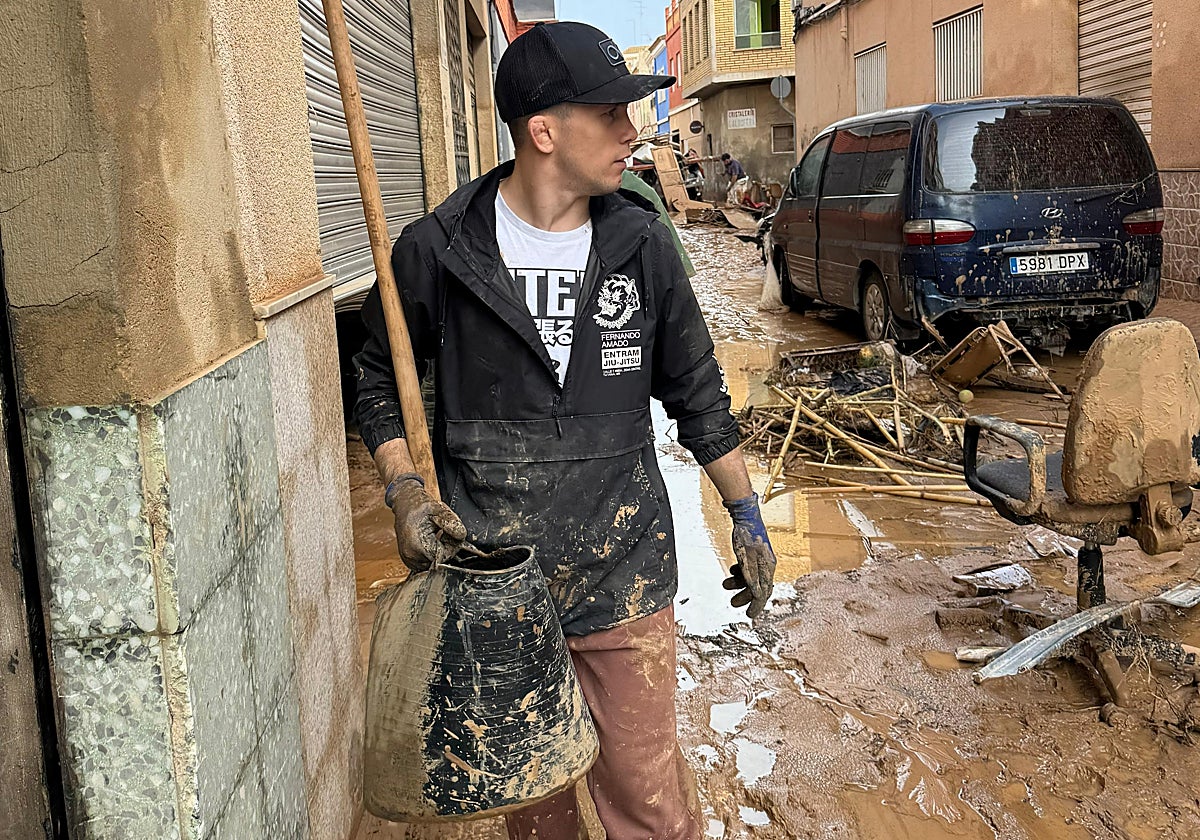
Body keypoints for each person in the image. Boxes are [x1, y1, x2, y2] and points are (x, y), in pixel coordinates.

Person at [353, 21, 777, 840]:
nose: (632, 131)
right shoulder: (438, 251)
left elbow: (698, 393)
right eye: (610, 114)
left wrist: (747, 513)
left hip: (625, 571)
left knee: (647, 800)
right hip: (496, 579)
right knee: (537, 806)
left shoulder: (643, 244)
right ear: (543, 131)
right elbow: (376, 374)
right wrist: (405, 490)